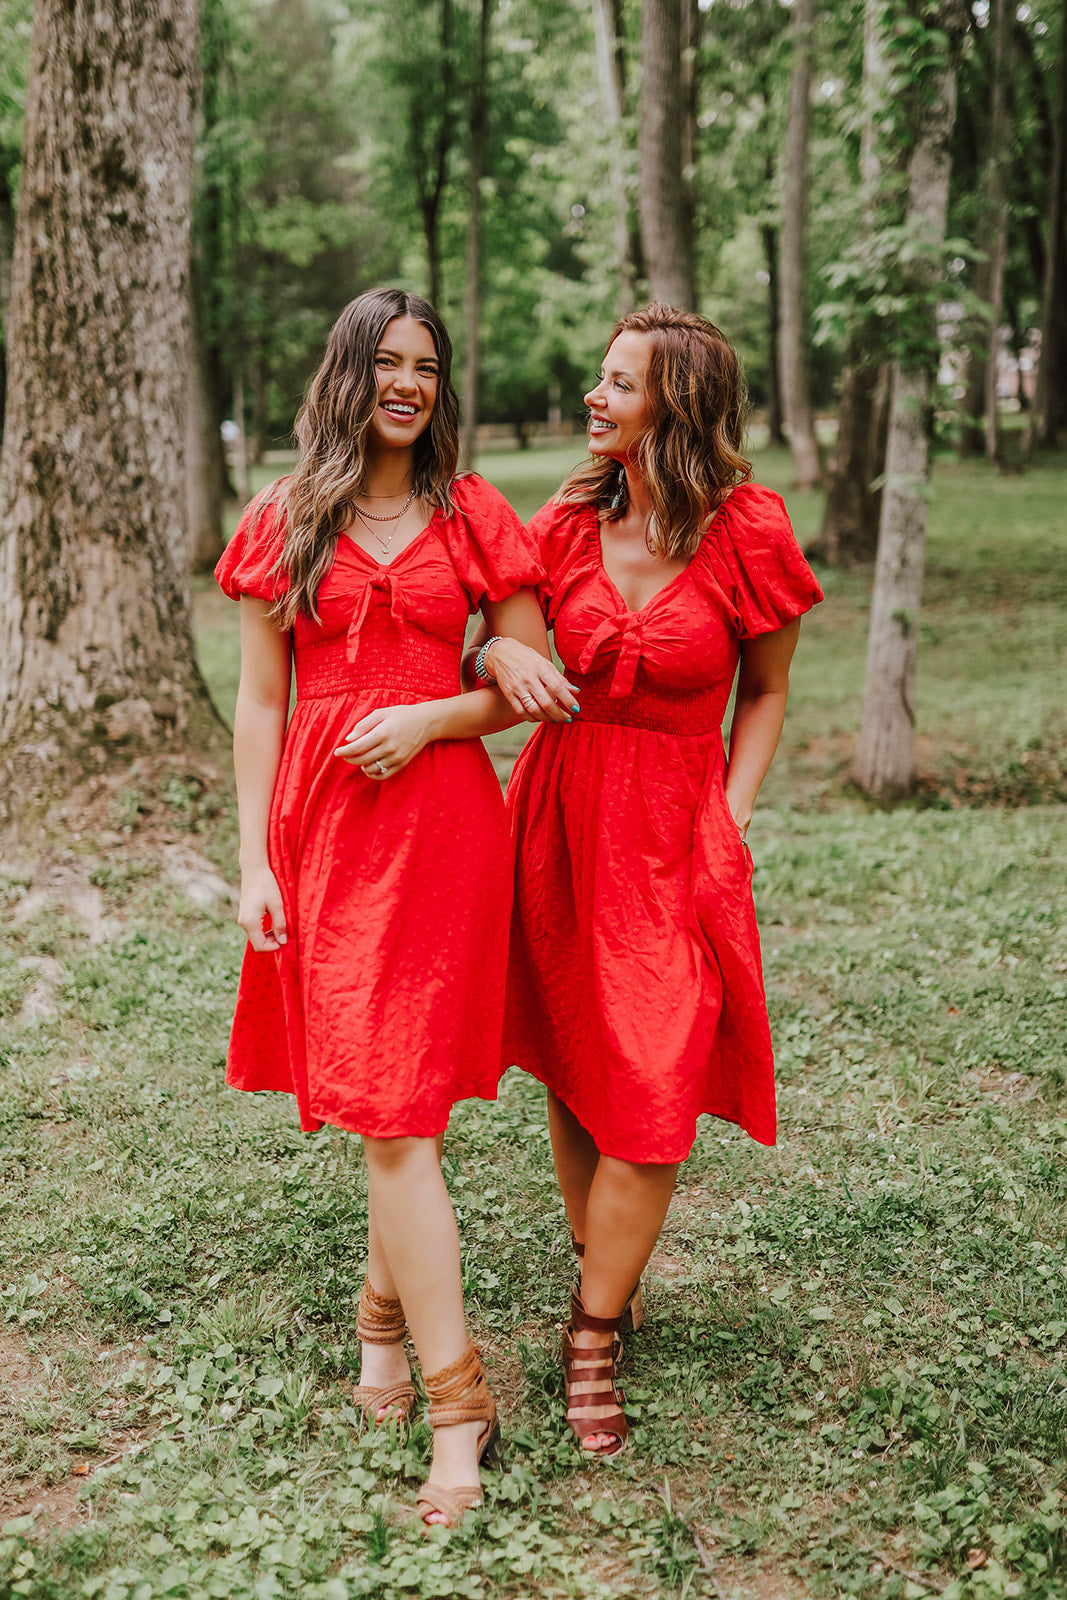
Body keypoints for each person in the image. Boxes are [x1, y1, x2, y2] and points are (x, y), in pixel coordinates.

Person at [215, 288, 576, 1527]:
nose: (409, 385)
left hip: (440, 829)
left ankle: (454, 1401)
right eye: (387, 363)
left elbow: (527, 681)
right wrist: (254, 858)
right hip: (323, 831)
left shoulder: (472, 512)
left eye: (426, 365)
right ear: (347, 374)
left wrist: (432, 711)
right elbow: (263, 701)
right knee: (388, 1106)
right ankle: (383, 1321)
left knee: (395, 1114)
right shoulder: (288, 512)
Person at [468, 302, 823, 1458]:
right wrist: (492, 655)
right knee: (578, 1058)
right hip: (560, 814)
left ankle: (590, 1328)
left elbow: (764, 691)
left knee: (655, 1082)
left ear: (675, 402)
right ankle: (603, 1271)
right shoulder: (566, 524)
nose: (593, 396)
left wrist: (731, 810)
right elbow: (483, 636)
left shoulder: (748, 530)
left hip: (677, 827)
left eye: (618, 383)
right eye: (598, 377)